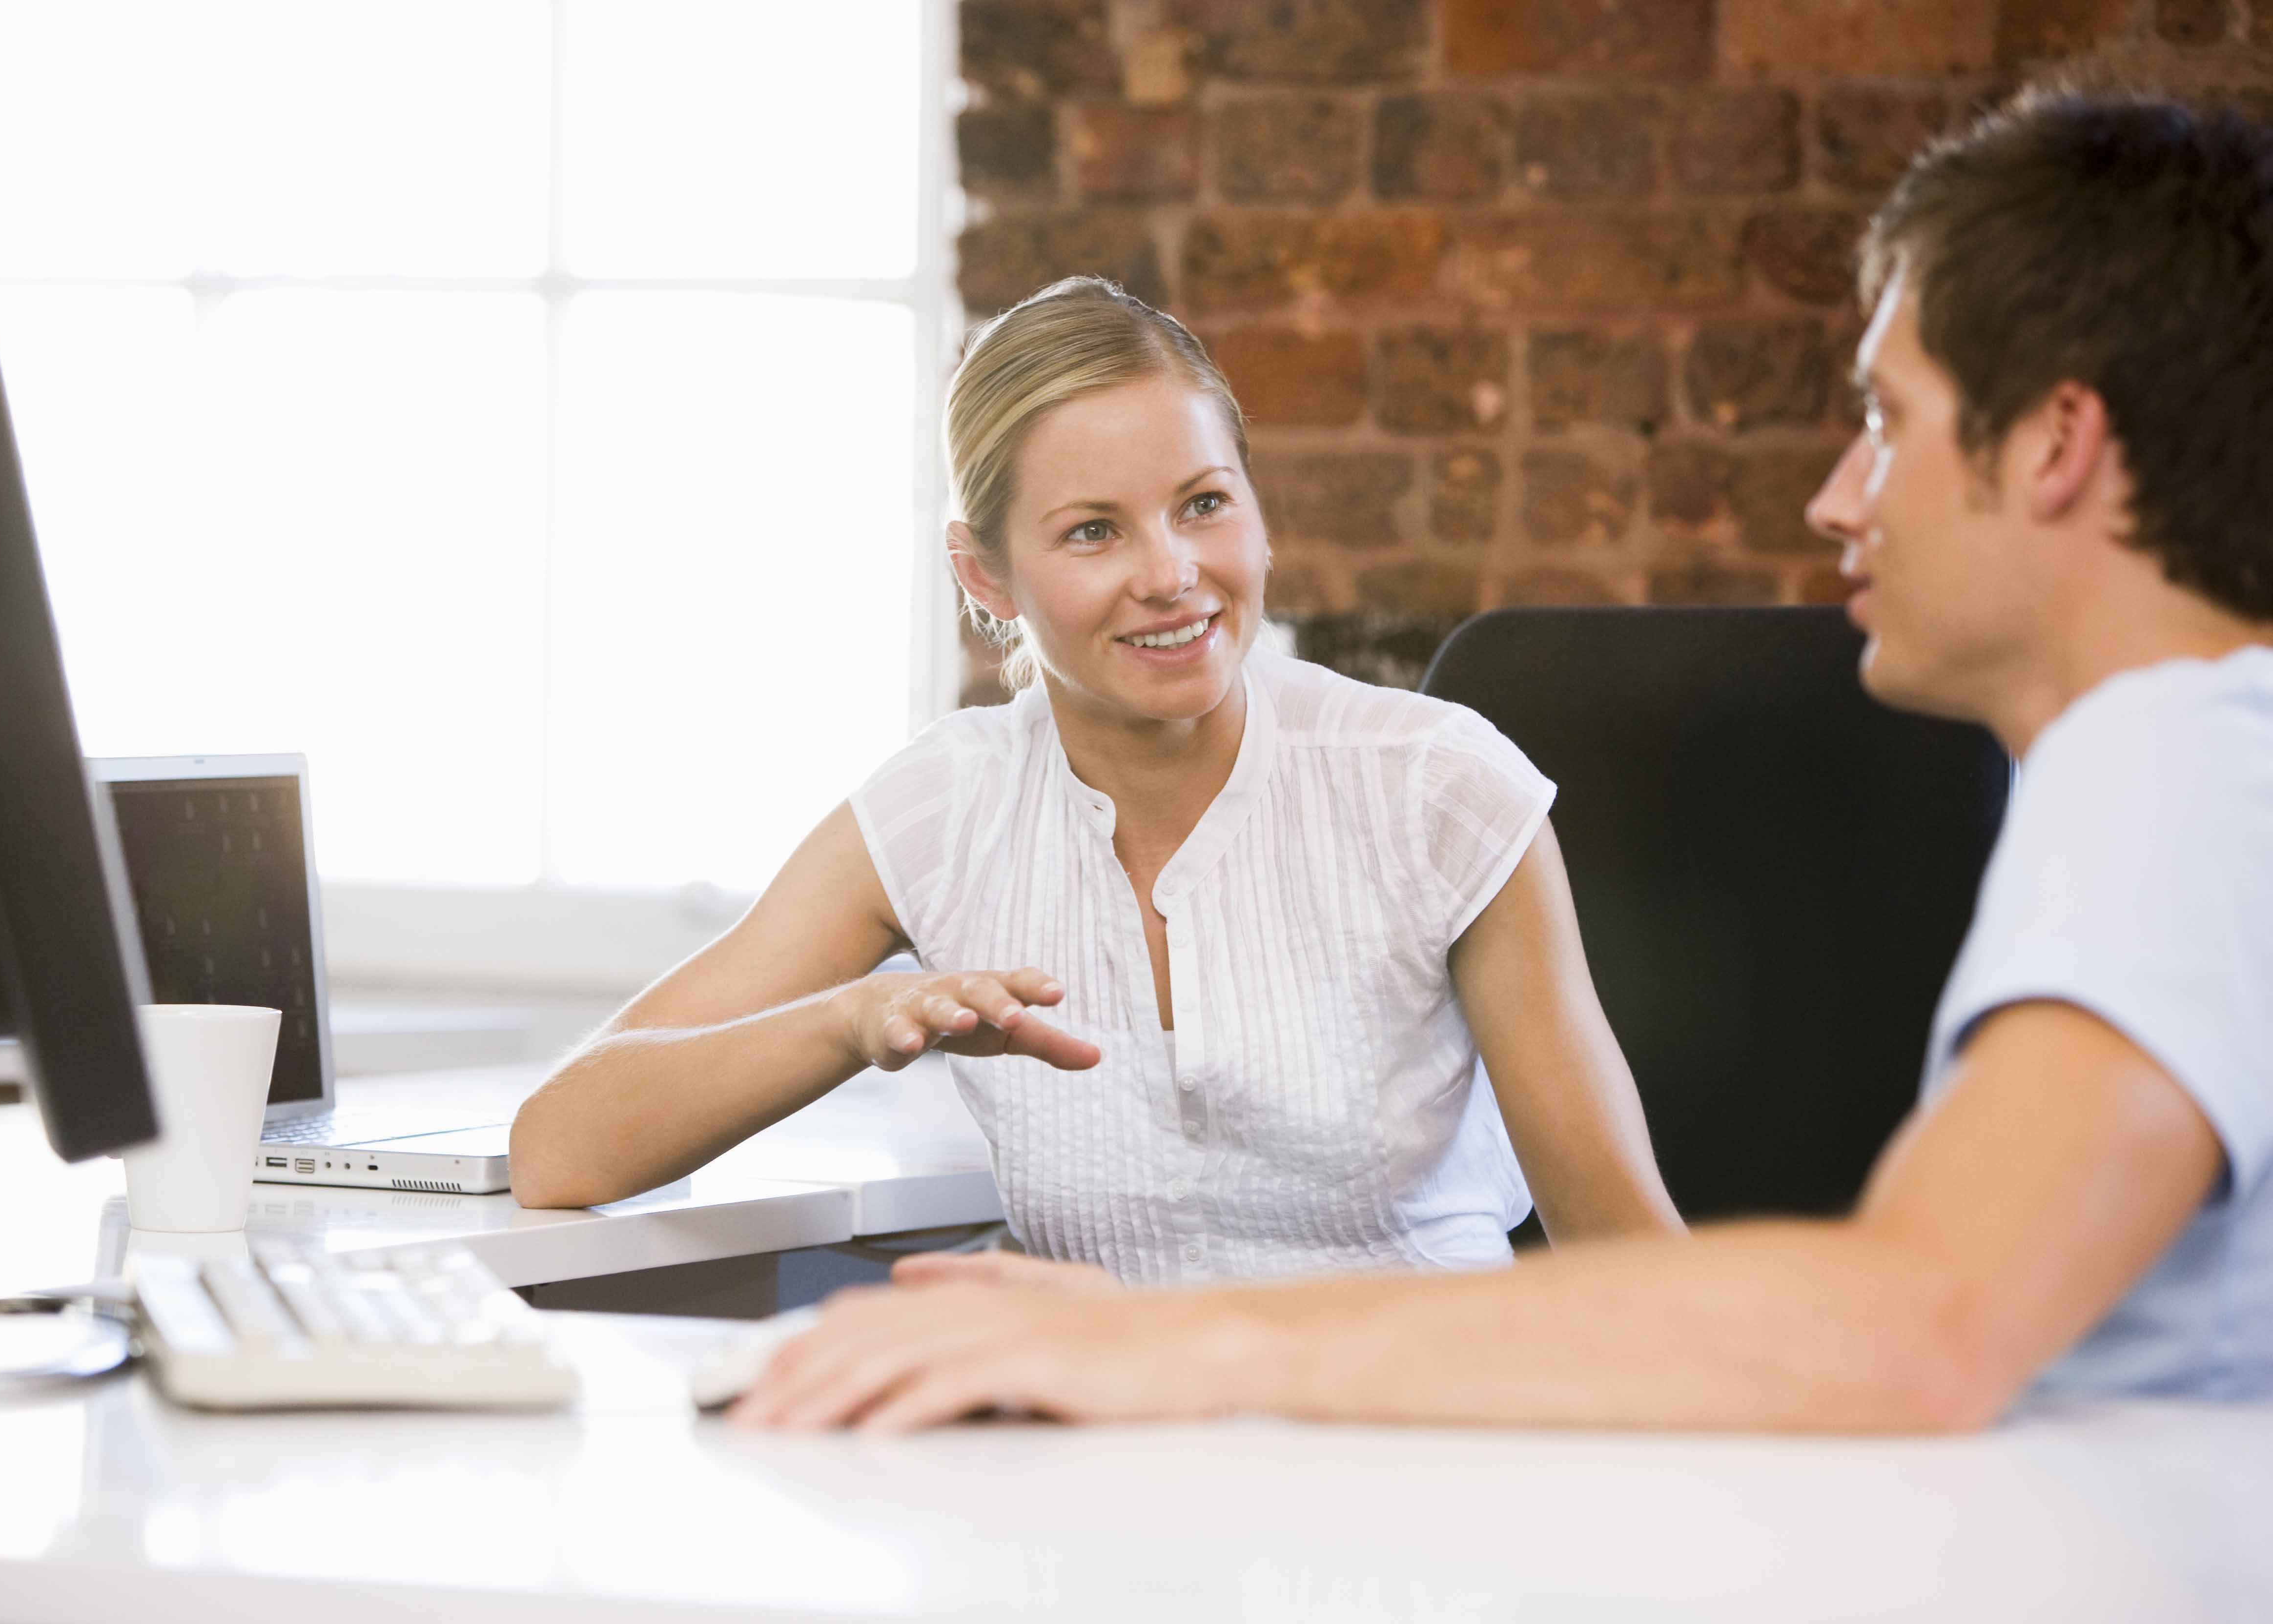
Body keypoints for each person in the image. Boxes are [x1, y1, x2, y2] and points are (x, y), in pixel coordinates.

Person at [725, 89, 2273, 1432]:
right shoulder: (2170, 773)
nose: (1835, 493)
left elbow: (1917, 1333)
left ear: (2057, 445)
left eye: (1886, 415)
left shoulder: (2183, 785)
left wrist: (1169, 1343)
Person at [510, 279, 1682, 1282]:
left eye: (1204, 504)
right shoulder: (941, 809)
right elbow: (563, 1146)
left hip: (1424, 1470)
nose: (1173, 575)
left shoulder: (1435, 787)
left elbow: (1632, 1266)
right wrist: (852, 1018)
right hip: (1098, 1484)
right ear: (986, 569)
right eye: (1092, 532)